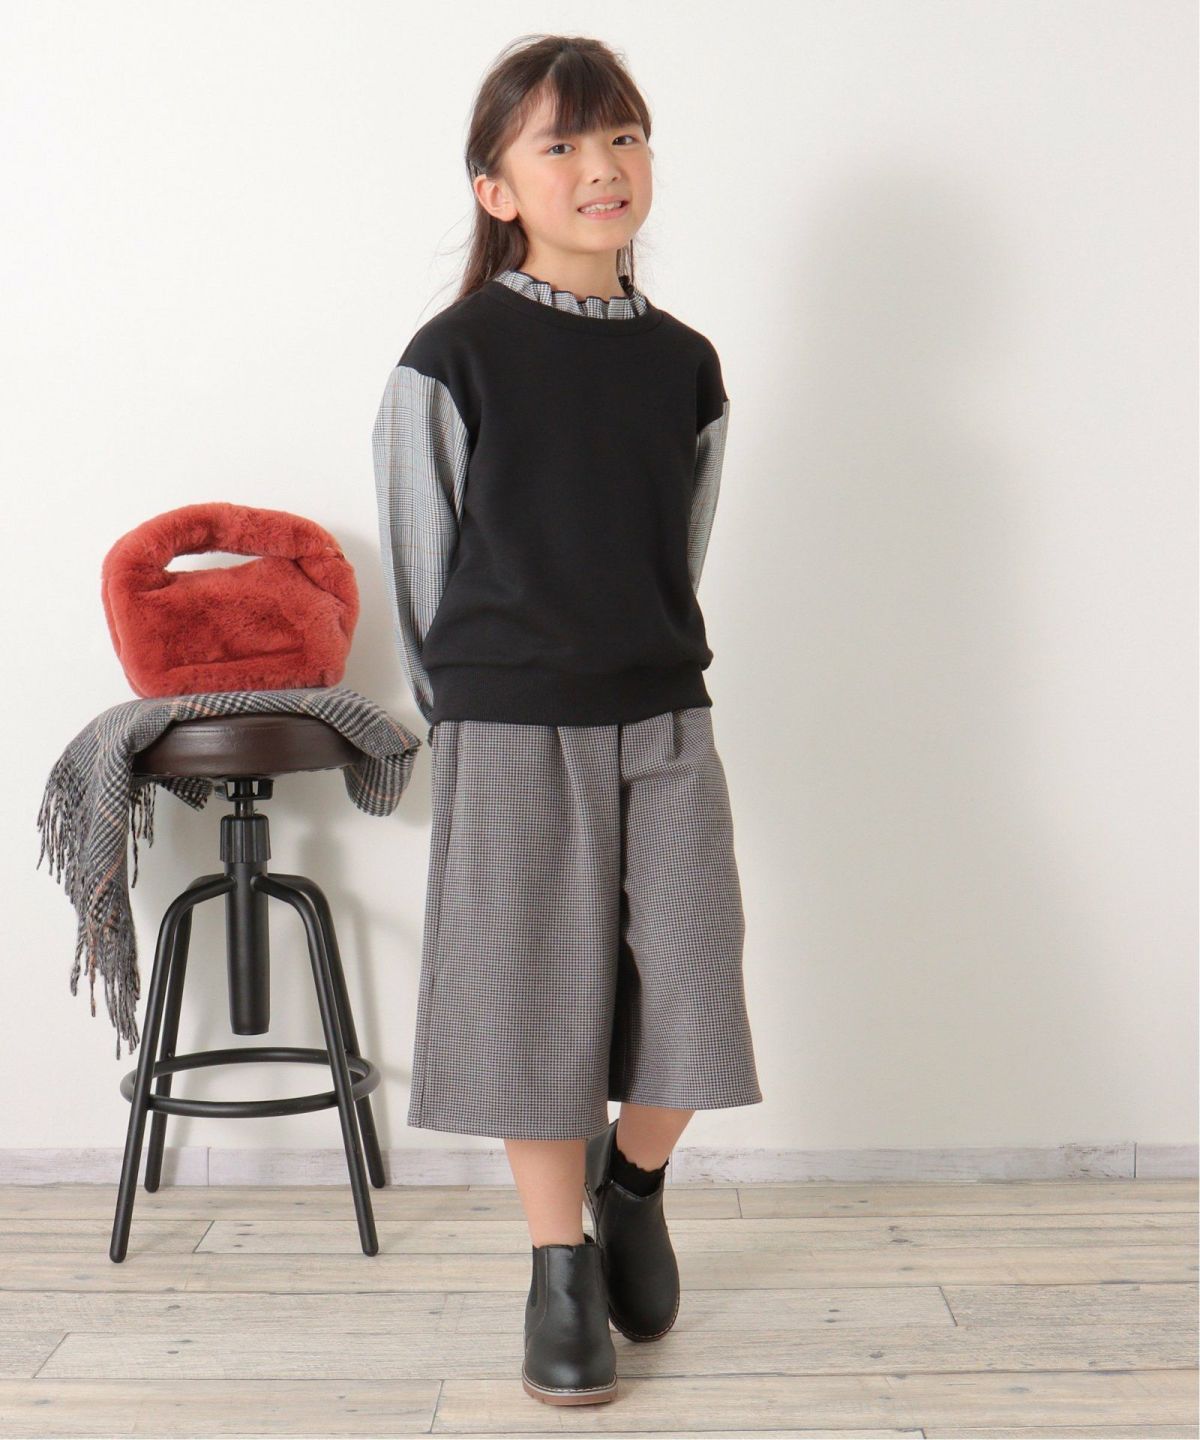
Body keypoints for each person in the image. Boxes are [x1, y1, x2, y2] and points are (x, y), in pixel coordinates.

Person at [371, 33, 763, 1408]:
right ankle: (558, 1267)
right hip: (510, 726)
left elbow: (680, 549)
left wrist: (633, 655)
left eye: (623, 136)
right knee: (533, 1013)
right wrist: (477, 718)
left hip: (664, 714)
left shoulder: (687, 365)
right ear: (498, 190)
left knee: (698, 989)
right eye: (562, 144)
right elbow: (422, 569)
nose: (603, 166)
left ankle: (632, 1184)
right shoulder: (453, 357)